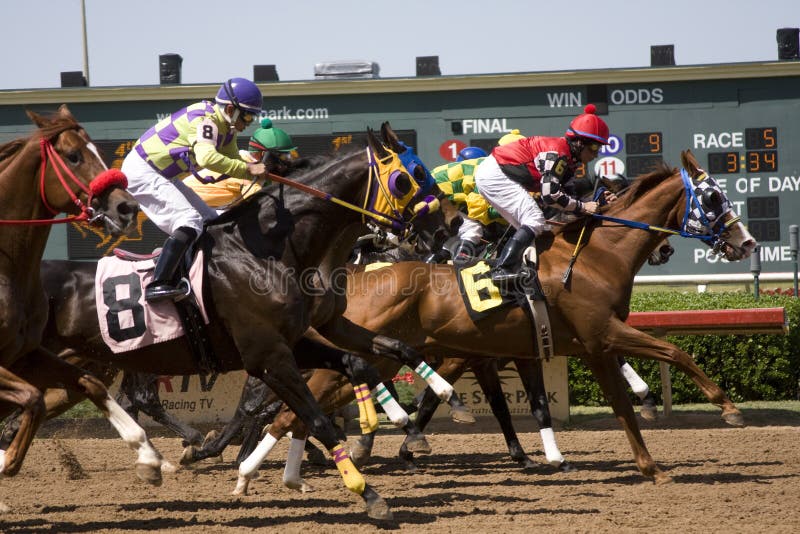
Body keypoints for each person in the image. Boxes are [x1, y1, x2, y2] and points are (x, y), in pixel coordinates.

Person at [121, 77, 267, 301]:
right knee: (189, 220)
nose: (250, 121)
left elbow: (231, 159)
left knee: (209, 219)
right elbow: (207, 157)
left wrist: (261, 167)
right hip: (143, 171)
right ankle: (157, 284)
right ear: (231, 109)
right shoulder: (206, 120)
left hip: (162, 173)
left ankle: (188, 271)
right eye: (248, 115)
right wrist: (249, 169)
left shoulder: (226, 128)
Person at [473, 104, 610, 284]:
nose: (596, 154)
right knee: (534, 219)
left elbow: (569, 198)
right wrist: (584, 206)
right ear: (578, 142)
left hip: (496, 174)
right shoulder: (558, 154)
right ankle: (503, 269)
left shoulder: (569, 160)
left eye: (599, 148)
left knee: (531, 226)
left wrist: (597, 202)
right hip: (495, 174)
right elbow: (550, 195)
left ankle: (518, 270)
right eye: (593, 146)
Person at [183, 118, 298, 209]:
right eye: (281, 156)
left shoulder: (252, 164)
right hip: (185, 203)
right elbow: (263, 203)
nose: (284, 163)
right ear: (263, 154)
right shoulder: (244, 169)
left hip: (206, 206)